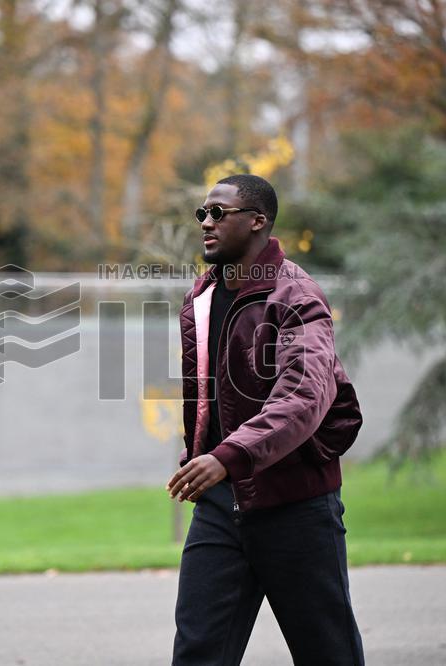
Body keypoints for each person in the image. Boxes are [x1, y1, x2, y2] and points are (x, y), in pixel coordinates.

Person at [166, 174, 366, 665]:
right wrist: (203, 454)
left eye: (218, 213)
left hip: (295, 504)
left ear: (257, 221)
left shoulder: (297, 296)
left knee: (327, 653)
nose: (205, 224)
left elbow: (303, 394)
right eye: (202, 214)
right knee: (197, 652)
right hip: (219, 507)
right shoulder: (203, 298)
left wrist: (229, 456)